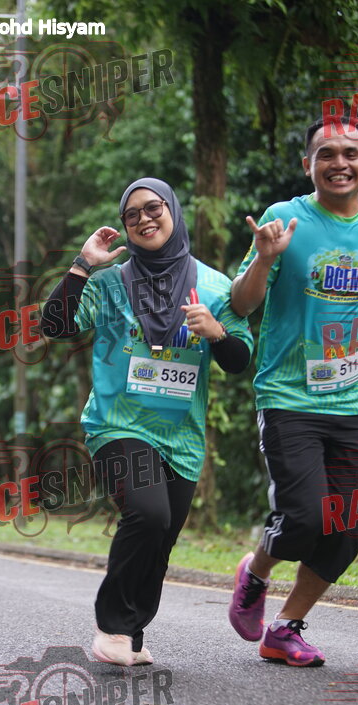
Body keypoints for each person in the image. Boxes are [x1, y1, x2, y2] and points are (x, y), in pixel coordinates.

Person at [41, 177, 253, 666]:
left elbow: (240, 360)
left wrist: (217, 332)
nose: (143, 219)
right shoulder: (110, 284)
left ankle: (132, 630)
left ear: (172, 210)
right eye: (131, 214)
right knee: (149, 514)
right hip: (117, 424)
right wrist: (83, 264)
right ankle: (113, 626)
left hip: (181, 438)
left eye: (153, 207)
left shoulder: (214, 286)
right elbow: (54, 325)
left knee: (162, 536)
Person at [228, 117, 358, 666]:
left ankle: (285, 629)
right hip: (288, 396)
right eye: (326, 153)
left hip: (351, 401)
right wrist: (265, 257)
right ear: (307, 164)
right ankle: (256, 570)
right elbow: (240, 305)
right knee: (305, 517)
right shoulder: (284, 219)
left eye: (351, 153)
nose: (339, 163)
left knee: (351, 523)